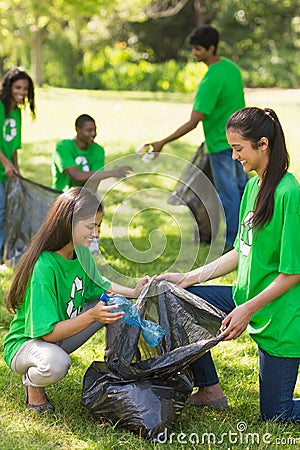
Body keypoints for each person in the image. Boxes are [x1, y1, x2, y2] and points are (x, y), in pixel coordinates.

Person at [157, 107, 300, 422]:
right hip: (245, 298)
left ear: (263, 144)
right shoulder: (253, 187)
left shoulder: (289, 193)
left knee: (276, 414)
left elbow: (293, 273)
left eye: (238, 148)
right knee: (177, 297)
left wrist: (247, 309)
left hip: (282, 317)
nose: (234, 157)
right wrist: (189, 277)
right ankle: (209, 389)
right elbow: (241, 250)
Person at [3, 187, 149, 413]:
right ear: (68, 223)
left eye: (98, 226)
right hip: (28, 344)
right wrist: (92, 315)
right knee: (56, 364)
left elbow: (103, 286)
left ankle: (114, 375)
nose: (96, 234)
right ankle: (33, 385)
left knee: (117, 305)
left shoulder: (81, 254)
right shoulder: (44, 266)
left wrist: (134, 290)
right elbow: (47, 334)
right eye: (91, 227)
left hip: (61, 335)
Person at [148, 25, 248, 249]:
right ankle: (249, 237)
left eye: (199, 49)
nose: (194, 53)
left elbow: (193, 122)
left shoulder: (211, 80)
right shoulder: (231, 69)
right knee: (244, 191)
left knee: (229, 195)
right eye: (193, 49)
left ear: (212, 48)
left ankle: (232, 242)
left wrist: (161, 142)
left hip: (221, 145)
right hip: (242, 142)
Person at [0, 67, 35, 261]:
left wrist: (17, 169)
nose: (22, 92)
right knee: (2, 211)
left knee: (9, 212)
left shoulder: (17, 112)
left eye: (26, 89)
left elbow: (14, 145)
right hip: (1, 169)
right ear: (8, 87)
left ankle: (6, 252)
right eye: (18, 88)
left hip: (8, 171)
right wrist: (6, 164)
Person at [52, 114, 132, 192]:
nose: (93, 134)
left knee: (97, 202)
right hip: (61, 195)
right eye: (89, 130)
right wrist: (113, 172)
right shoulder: (63, 147)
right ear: (77, 130)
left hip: (86, 194)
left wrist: (86, 201)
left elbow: (94, 182)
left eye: (95, 130)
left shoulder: (98, 150)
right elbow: (76, 176)